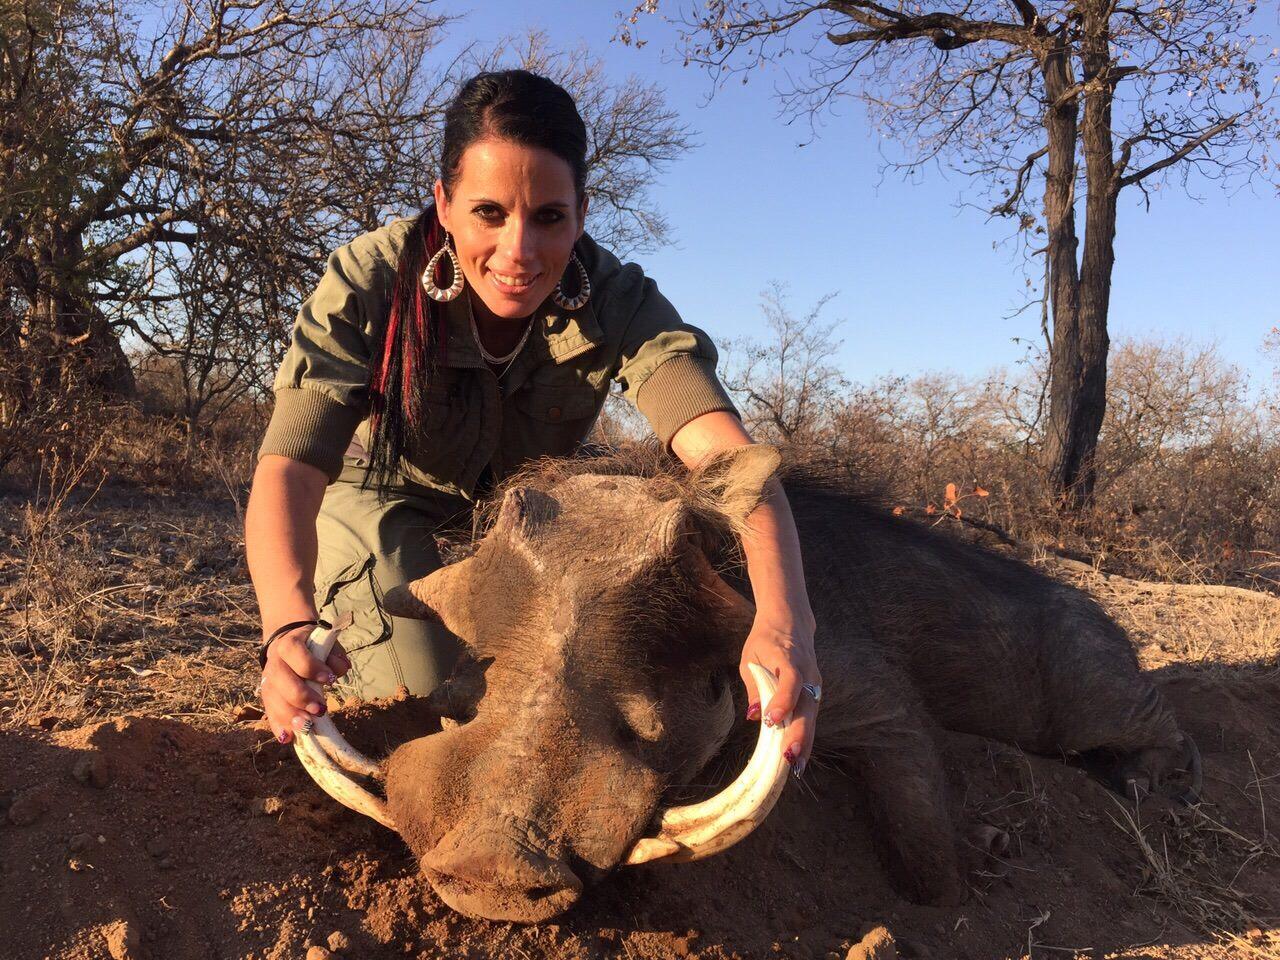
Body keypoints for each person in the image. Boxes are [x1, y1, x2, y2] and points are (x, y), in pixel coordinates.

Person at [246, 69, 822, 779]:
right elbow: (292, 469)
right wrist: (288, 628)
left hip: (529, 526)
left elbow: (728, 462)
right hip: (385, 504)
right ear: (445, 204)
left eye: (549, 217)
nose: (519, 253)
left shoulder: (618, 298)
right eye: (489, 212)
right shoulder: (368, 280)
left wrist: (786, 621)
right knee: (430, 709)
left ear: (581, 212)